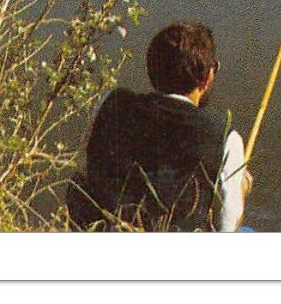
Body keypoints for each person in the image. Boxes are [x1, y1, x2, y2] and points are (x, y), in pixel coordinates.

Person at [68, 20, 252, 231]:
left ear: (151, 69)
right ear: (208, 76)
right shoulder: (226, 139)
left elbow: (82, 171)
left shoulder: (111, 102)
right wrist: (241, 187)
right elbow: (229, 226)